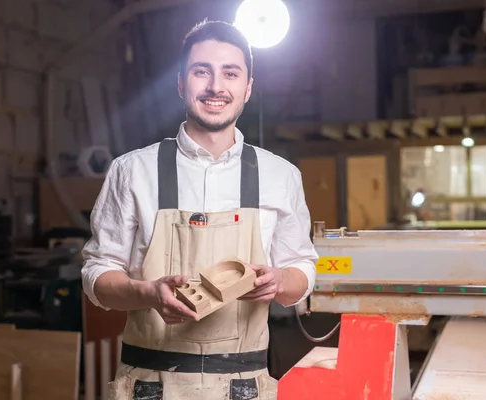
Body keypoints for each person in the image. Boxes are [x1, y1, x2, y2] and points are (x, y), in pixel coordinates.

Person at [81, 19, 319, 400]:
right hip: (150, 386)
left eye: (230, 73)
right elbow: (96, 275)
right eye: (201, 71)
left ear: (247, 88)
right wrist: (147, 293)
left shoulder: (280, 175)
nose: (215, 87)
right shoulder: (132, 171)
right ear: (180, 83)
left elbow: (303, 270)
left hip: (243, 386)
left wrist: (279, 281)